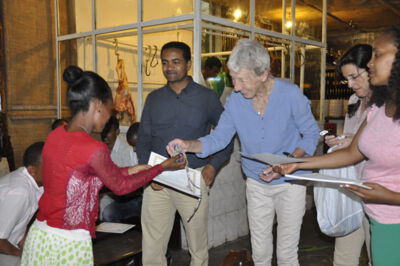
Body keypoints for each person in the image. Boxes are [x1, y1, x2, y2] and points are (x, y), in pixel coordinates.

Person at [167, 39, 320, 266]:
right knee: (260, 254)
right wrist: (188, 145)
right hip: (256, 184)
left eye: (242, 80)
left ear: (263, 74)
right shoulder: (236, 102)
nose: (236, 87)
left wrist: (288, 163)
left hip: (289, 184)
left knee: (287, 254)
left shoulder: (290, 94)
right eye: (233, 78)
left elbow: (311, 134)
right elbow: (219, 138)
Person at [20, 65, 185, 265]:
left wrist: (132, 169)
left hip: (40, 235)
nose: (109, 118)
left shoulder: (57, 135)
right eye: (109, 108)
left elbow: (87, 174)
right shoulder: (93, 147)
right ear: (98, 104)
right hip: (68, 241)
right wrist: (162, 167)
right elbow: (120, 187)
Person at [272, 25, 400, 266]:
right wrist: (297, 164)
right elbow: (353, 153)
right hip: (379, 217)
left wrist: (391, 197)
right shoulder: (379, 108)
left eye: (378, 55)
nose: (371, 63)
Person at [137, 41, 233, 266]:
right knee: (152, 246)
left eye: (176, 62)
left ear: (188, 64)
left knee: (197, 246)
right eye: (165, 62)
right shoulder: (154, 99)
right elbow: (143, 139)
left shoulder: (207, 98)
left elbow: (227, 135)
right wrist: (150, 173)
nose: (169, 67)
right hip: (157, 181)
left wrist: (213, 166)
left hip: (192, 177)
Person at [325, 44, 373, 266]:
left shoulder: (389, 104)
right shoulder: (354, 102)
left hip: (377, 190)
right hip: (352, 186)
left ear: (372, 68)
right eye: (347, 80)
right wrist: (341, 141)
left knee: (379, 256)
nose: (351, 85)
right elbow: (353, 140)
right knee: (343, 257)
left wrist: (351, 141)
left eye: (354, 77)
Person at [0, 142, 44, 266]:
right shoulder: (19, 191)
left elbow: (19, 228)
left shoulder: (35, 184)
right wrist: (25, 256)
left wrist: (30, 250)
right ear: (32, 170)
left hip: (7, 247)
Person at [99, 117, 142, 222]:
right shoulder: (100, 150)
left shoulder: (128, 148)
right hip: (112, 194)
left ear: (117, 131)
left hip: (132, 196)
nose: (105, 135)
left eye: (108, 131)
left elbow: (130, 181)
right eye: (103, 131)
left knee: (108, 213)